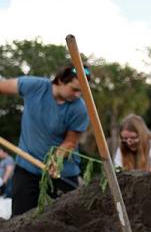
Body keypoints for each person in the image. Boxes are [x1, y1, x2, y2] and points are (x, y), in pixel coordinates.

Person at [0, 66, 90, 216]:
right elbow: (2, 86)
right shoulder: (34, 86)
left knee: (63, 222)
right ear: (61, 80)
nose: (77, 94)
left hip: (61, 174)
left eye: (82, 91)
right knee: (20, 220)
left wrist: (56, 160)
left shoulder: (79, 109)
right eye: (74, 89)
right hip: (27, 170)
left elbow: (70, 142)